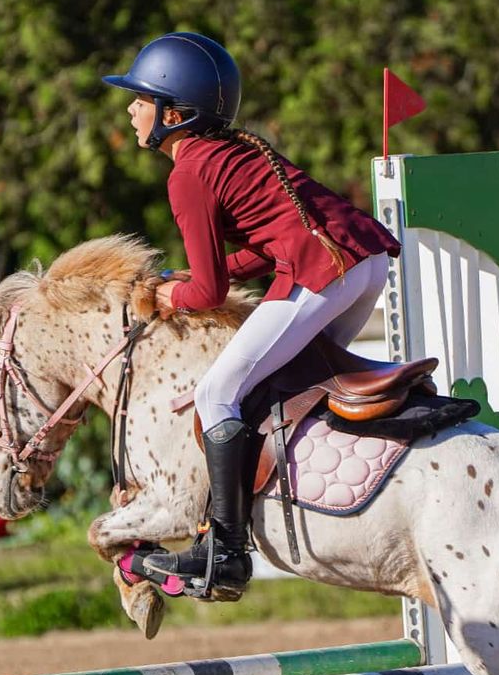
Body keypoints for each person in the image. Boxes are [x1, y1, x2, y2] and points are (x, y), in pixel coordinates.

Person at [103, 32, 400, 599]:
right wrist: (188, 283)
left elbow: (209, 291)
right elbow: (262, 249)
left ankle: (227, 551)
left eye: (140, 99)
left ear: (175, 112)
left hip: (324, 271)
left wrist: (172, 297)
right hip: (364, 263)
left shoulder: (187, 174)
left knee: (217, 393)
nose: (130, 109)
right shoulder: (233, 149)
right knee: (280, 384)